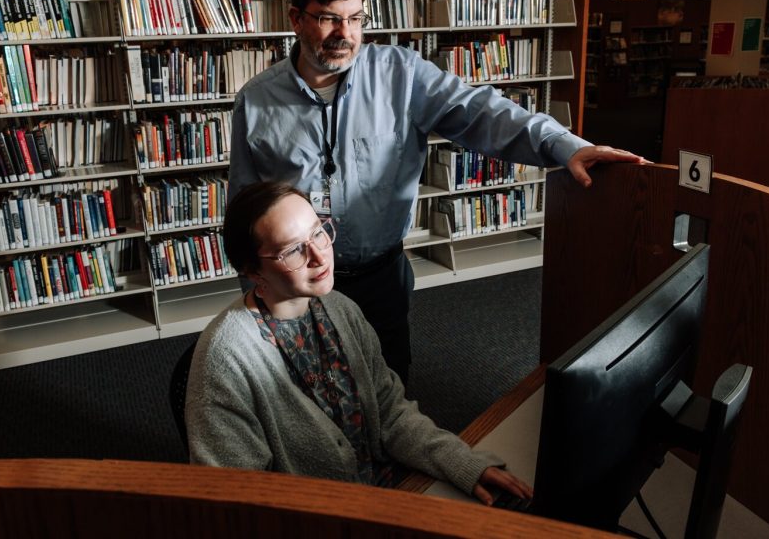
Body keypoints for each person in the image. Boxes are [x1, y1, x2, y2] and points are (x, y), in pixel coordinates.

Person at [228, 0, 648, 384]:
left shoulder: (401, 75)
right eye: (330, 18)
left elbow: (482, 111)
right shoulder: (256, 100)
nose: (346, 34)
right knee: (302, 392)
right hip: (293, 284)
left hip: (379, 278)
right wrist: (255, 297)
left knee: (389, 384)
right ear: (296, 19)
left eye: (356, 19)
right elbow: (244, 207)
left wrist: (562, 144)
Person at [185, 181, 529, 504]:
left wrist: (460, 462)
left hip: (386, 493)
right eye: (292, 251)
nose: (320, 257)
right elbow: (239, 498)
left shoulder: (339, 307)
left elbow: (390, 413)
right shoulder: (226, 357)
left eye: (318, 233)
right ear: (252, 270)